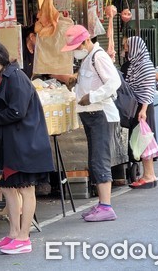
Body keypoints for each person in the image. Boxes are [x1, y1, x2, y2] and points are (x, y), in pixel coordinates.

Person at [0, 40, 54, 254]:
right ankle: (13, 233)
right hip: (12, 142)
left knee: (26, 189)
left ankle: (24, 237)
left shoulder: (15, 78)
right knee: (8, 188)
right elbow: (0, 109)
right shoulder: (2, 79)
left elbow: (16, 112)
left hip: (24, 143)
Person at [59, 25, 121, 222]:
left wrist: (92, 97)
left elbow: (113, 83)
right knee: (94, 159)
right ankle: (102, 204)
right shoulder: (88, 57)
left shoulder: (98, 56)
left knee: (99, 159)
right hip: (92, 115)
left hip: (100, 114)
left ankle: (106, 206)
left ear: (86, 41)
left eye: (77, 46)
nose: (75, 51)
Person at [120, 36, 158, 188]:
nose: (125, 49)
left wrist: (143, 110)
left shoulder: (144, 65)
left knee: (143, 140)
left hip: (142, 108)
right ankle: (147, 175)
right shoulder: (134, 64)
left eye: (127, 47)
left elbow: (148, 89)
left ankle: (149, 175)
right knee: (140, 140)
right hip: (137, 107)